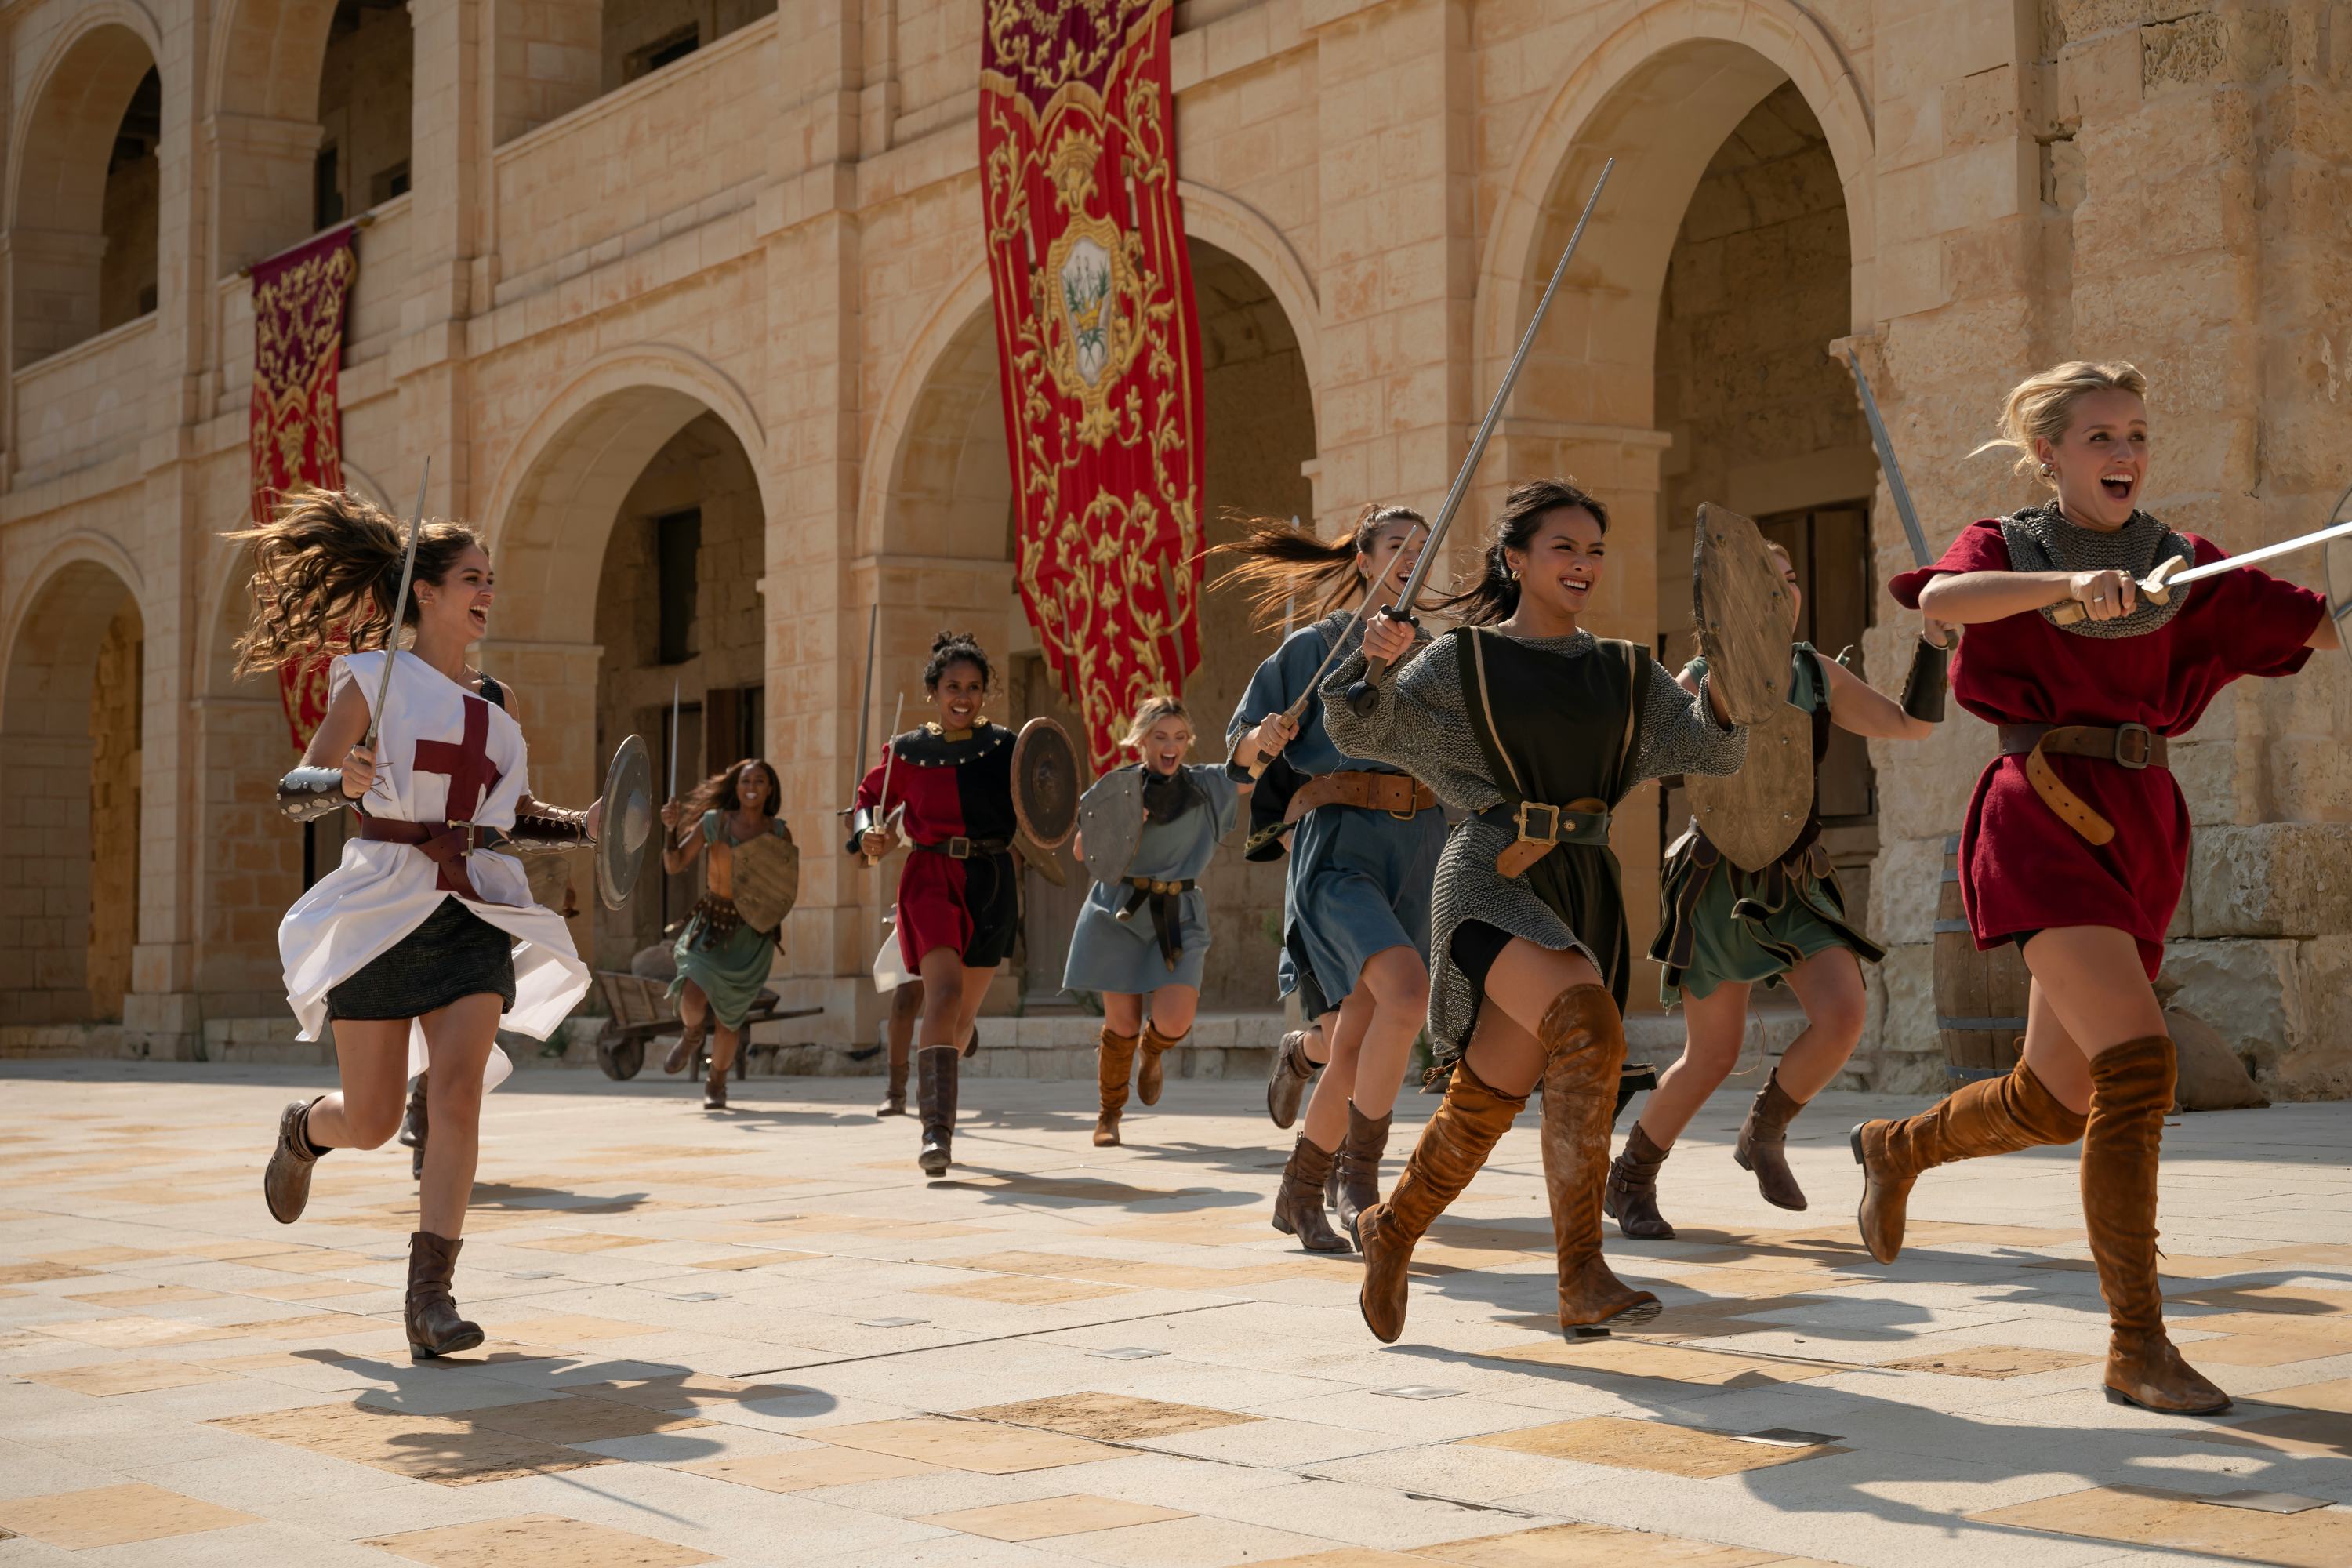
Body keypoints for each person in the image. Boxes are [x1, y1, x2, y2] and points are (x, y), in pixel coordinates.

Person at [1860, 361, 2336, 1415]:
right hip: (2040, 811)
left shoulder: (2186, 565)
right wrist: (2069, 586)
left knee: (2052, 1097)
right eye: (2100, 437)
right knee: (2137, 1067)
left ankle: (1895, 1148)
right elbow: (1943, 600)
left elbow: (2319, 622)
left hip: (2144, 828)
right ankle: (2138, 1346)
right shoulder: (2009, 546)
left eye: (2136, 434)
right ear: (2052, 454)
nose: (2124, 453)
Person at [1321, 478, 1748, 1344]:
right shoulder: (1463, 660)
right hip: (1491, 870)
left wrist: (1739, 673)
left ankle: (1390, 1228)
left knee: (1488, 1097)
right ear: (1516, 559)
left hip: (1584, 885)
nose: (1584, 563)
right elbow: (1364, 730)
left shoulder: (1627, 670)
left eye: (1594, 548)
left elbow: (1710, 749)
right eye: (1564, 546)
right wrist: (1375, 660)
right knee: (1589, 1027)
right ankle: (1580, 1275)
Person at [238, 489, 597, 1359]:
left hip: (472, 902)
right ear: (425, 593)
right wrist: (345, 780)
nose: (487, 593)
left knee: (458, 1092)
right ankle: (304, 1128)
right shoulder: (372, 678)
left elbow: (502, 810)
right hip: (382, 905)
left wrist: (578, 826)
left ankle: (430, 1296)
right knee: (368, 1119)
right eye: (472, 578)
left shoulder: (496, 697)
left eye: (491, 580)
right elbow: (300, 790)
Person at [1609, 545, 1944, 1237]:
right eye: (1766, 583)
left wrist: (1935, 643)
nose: (1785, 594)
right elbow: (1660, 761)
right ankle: (1630, 1179)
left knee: (1844, 1013)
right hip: (1714, 877)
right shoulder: (1699, 676)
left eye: (1791, 580)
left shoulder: (1813, 672)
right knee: (1712, 1053)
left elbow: (1909, 723)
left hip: (1796, 878)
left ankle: (1763, 1131)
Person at [1218, 507, 1446, 1254]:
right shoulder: (1314, 647)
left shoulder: (1440, 656)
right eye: (1396, 547)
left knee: (1355, 1034)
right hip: (1340, 843)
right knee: (1405, 995)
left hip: (1421, 846)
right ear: (1363, 557)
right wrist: (1267, 737)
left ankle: (1300, 1187)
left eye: (1422, 549)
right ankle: (1362, 1183)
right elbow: (1243, 759)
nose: (1411, 559)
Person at [850, 633, 1019, 1176]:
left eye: (973, 687)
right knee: (941, 995)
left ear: (985, 693)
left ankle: (948, 1055)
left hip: (992, 883)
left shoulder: (1008, 747)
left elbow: (1045, 802)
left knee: (961, 1019)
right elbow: (867, 801)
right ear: (933, 691)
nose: (963, 697)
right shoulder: (908, 750)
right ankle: (935, 1135)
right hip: (930, 879)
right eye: (952, 687)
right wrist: (868, 835)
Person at [1065, 696, 1246, 1145]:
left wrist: (1273, 730)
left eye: (1180, 738)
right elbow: (1081, 851)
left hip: (1178, 913)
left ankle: (1153, 1051)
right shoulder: (1118, 787)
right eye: (1161, 737)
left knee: (1175, 1020)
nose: (1171, 746)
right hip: (1119, 910)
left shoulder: (1206, 785)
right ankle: (1109, 1114)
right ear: (1141, 741)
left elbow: (1249, 770)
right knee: (1121, 1023)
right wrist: (1122, 821)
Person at [658, 758, 790, 1110]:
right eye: (746, 780)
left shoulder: (779, 833)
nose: (752, 786)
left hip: (751, 936)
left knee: (731, 1018)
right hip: (712, 927)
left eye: (760, 781)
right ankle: (692, 1034)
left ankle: (716, 1083)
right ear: (736, 787)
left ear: (769, 789)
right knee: (691, 991)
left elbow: (783, 889)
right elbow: (674, 864)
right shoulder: (715, 823)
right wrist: (670, 829)